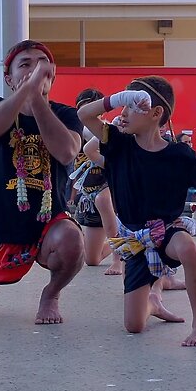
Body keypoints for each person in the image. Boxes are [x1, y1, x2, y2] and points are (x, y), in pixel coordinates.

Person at [76, 77, 196, 346]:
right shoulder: (117, 144)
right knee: (134, 325)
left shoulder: (179, 155)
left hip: (166, 233)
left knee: (188, 248)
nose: (124, 113)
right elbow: (83, 114)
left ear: (156, 113)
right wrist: (116, 100)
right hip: (134, 240)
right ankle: (153, 302)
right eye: (123, 105)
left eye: (132, 105)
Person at [0, 40, 84, 325]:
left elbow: (66, 152)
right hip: (4, 230)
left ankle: (51, 294)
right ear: (8, 78)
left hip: (49, 225)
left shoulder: (66, 114)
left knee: (72, 240)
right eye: (25, 64)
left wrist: (37, 100)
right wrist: (26, 91)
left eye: (43, 65)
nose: (36, 70)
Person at [71, 88, 123, 275]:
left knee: (108, 215)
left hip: (105, 185)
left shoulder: (106, 129)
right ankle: (125, 241)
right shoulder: (75, 129)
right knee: (91, 259)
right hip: (87, 191)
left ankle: (119, 259)